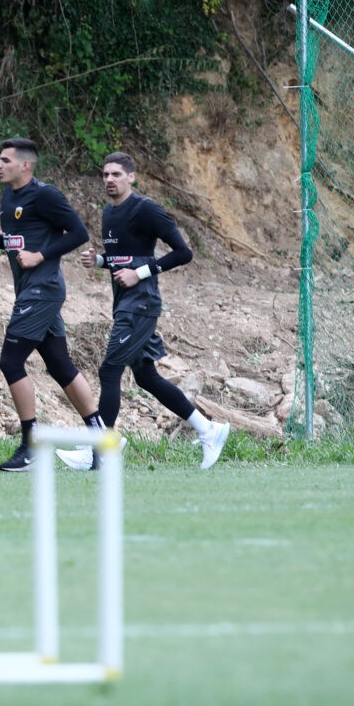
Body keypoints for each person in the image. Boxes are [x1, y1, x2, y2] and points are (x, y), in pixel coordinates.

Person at [56, 151, 230, 471]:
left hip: (141, 304)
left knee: (109, 371)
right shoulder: (109, 213)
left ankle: (100, 450)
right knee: (146, 376)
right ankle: (208, 430)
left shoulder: (146, 209)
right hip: (124, 304)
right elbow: (122, 259)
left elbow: (183, 253)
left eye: (116, 174)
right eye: (105, 174)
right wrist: (99, 261)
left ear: (131, 177)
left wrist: (141, 273)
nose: (109, 180)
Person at [0, 137, 105, 472]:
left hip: (43, 290)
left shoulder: (45, 195)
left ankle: (31, 446)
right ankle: (101, 440)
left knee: (10, 361)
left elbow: (79, 234)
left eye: (5, 160)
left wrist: (41, 256)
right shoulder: (8, 197)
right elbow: (19, 241)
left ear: (25, 165)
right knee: (59, 365)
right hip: (30, 290)